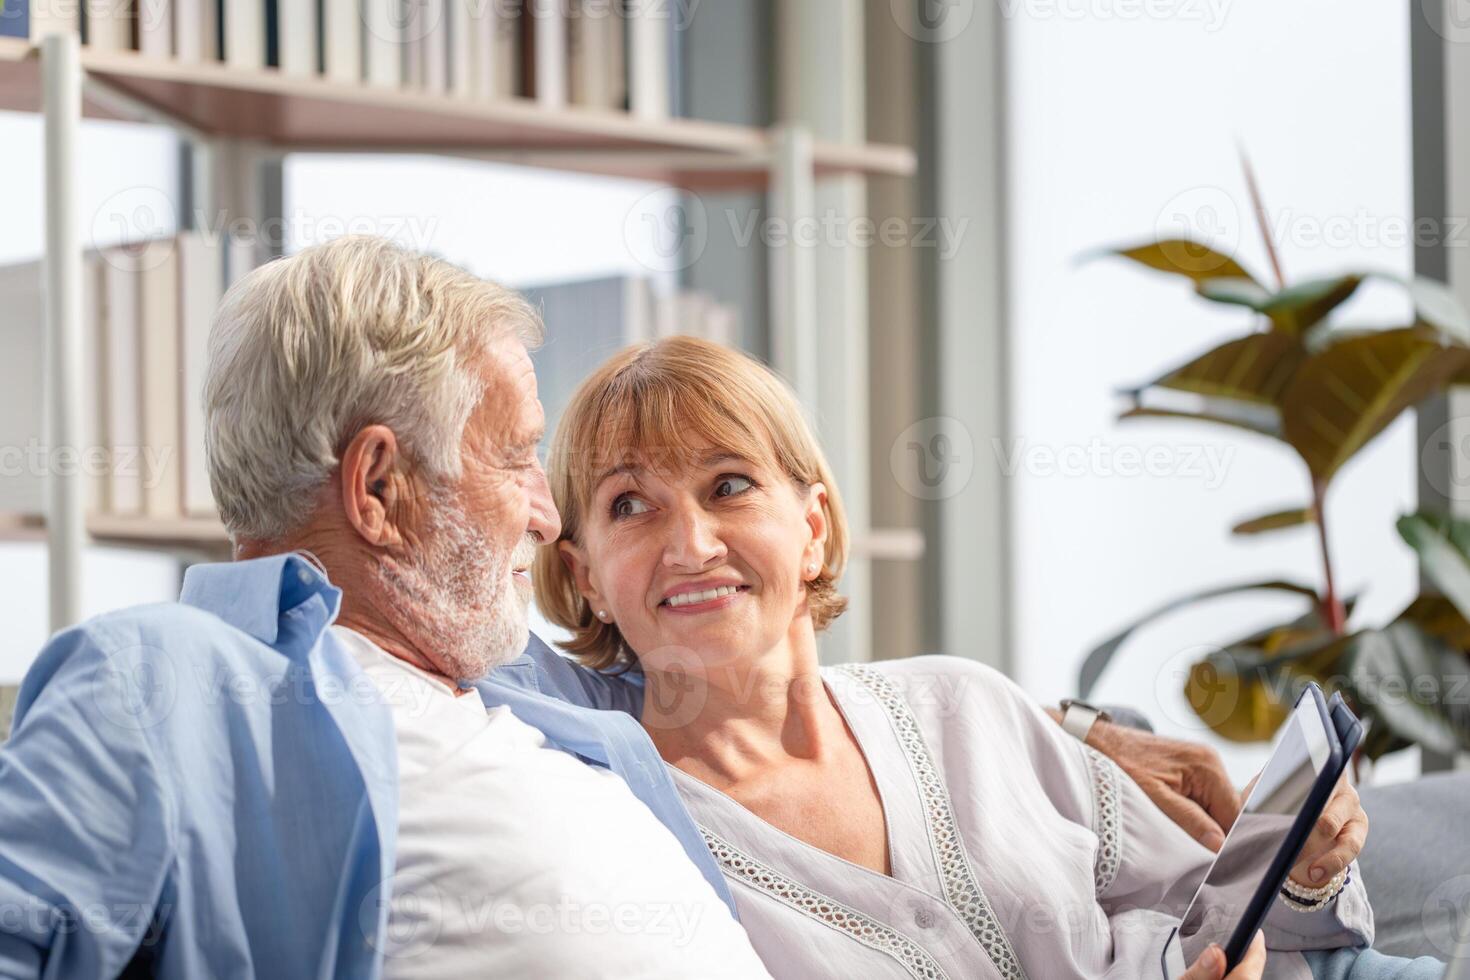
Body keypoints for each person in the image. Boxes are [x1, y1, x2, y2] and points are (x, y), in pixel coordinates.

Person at [532, 334, 1447, 980]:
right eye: (629, 505)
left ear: (811, 530)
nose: (690, 542)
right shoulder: (625, 832)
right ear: (584, 578)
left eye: (729, 485)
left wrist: (1305, 872)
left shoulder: (960, 704)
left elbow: (1226, 916)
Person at [0, 237, 768, 978]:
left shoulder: (530, 697)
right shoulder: (161, 680)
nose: (548, 515)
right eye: (512, 458)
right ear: (377, 488)